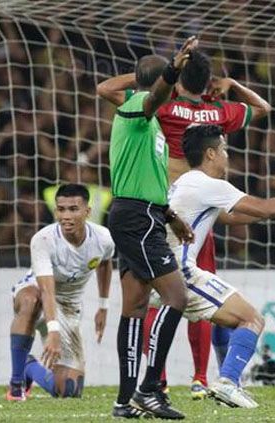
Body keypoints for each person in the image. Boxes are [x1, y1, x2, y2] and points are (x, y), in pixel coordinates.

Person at [98, 48, 271, 399]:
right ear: (208, 81)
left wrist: (155, 76)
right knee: (200, 296)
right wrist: (233, 84)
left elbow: (106, 89)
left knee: (150, 300)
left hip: (167, 209)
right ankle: (200, 377)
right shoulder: (219, 111)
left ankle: (152, 382)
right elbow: (265, 108)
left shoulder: (161, 106)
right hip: (192, 212)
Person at [168, 124, 275, 407]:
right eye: (224, 150)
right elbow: (263, 207)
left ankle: (227, 382)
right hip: (180, 272)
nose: (227, 155)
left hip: (165, 271)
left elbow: (234, 218)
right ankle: (227, 382)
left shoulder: (189, 183)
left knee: (221, 317)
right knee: (252, 319)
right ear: (211, 154)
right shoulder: (208, 184)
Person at [100, 36, 197, 420]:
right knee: (177, 296)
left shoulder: (144, 116)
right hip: (136, 218)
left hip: (146, 215)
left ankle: (124, 401)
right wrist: (167, 71)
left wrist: (171, 216)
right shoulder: (140, 106)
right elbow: (151, 94)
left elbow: (104, 86)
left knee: (136, 308)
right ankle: (151, 388)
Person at [7, 184, 113, 400]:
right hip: (37, 292)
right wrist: (53, 331)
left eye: (73, 209)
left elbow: (105, 263)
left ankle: (29, 366)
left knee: (69, 391)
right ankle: (16, 383)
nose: (66, 216)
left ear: (87, 211)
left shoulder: (103, 238)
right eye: (61, 209)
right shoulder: (43, 239)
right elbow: (46, 290)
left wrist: (103, 306)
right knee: (30, 299)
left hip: (70, 307)